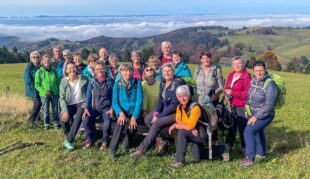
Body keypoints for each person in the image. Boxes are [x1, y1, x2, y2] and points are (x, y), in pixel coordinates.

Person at [131, 62, 185, 157]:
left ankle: (142, 148)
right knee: (148, 119)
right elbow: (160, 100)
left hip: (176, 112)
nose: (166, 73)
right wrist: (156, 114)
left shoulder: (178, 83)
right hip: (165, 110)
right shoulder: (163, 82)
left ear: (173, 71)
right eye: (164, 71)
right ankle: (161, 141)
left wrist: (159, 117)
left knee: (156, 123)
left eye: (169, 71)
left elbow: (174, 104)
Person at [240, 60, 278, 168]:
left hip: (266, 114)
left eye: (261, 70)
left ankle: (249, 159)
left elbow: (269, 105)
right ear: (253, 71)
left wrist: (256, 117)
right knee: (257, 131)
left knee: (249, 131)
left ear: (265, 70)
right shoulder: (253, 81)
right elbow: (249, 97)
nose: (259, 73)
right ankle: (261, 154)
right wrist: (248, 111)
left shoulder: (270, 84)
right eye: (256, 70)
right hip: (253, 112)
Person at [109, 64, 143, 158]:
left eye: (129, 70)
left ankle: (126, 144)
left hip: (134, 112)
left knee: (133, 127)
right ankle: (112, 149)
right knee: (120, 123)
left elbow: (139, 100)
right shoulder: (117, 84)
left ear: (132, 71)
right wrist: (120, 113)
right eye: (124, 71)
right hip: (122, 112)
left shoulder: (137, 83)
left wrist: (134, 117)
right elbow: (115, 102)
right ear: (121, 72)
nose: (127, 73)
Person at [168, 85, 202, 169]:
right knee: (197, 157)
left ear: (189, 95)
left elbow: (189, 125)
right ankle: (224, 148)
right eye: (180, 96)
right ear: (177, 97)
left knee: (182, 131)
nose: (182, 99)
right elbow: (179, 121)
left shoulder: (195, 108)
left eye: (184, 95)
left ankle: (179, 161)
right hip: (192, 133)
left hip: (200, 134)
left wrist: (177, 125)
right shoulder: (179, 107)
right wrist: (187, 127)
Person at [194, 51, 224, 144]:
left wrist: (215, 96)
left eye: (208, 57)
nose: (206, 60)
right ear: (200, 59)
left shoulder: (216, 69)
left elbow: (221, 86)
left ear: (210, 58)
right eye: (203, 58)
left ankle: (214, 140)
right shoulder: (198, 68)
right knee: (199, 117)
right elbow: (194, 83)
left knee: (211, 118)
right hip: (199, 98)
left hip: (211, 98)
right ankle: (202, 138)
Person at [83, 62, 114, 150]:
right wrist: (86, 108)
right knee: (86, 120)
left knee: (107, 124)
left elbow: (115, 97)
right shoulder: (92, 81)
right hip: (95, 108)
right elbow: (88, 96)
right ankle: (90, 139)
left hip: (107, 108)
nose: (99, 71)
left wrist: (112, 108)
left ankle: (105, 141)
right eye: (97, 69)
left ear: (105, 69)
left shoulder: (110, 81)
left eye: (101, 68)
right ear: (94, 71)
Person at [224, 56, 251, 154]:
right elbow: (226, 87)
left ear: (243, 64)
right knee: (231, 126)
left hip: (242, 106)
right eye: (235, 64)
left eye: (239, 63)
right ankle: (228, 146)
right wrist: (226, 94)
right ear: (232, 65)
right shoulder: (231, 74)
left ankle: (246, 148)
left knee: (242, 127)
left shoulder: (247, 77)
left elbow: (247, 94)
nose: (237, 66)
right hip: (231, 105)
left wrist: (232, 93)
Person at [59, 62, 88, 150]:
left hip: (80, 103)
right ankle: (69, 135)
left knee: (78, 118)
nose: (72, 69)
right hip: (69, 104)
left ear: (76, 69)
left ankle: (69, 140)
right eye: (69, 68)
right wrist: (64, 111)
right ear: (67, 71)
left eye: (73, 67)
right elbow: (62, 97)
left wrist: (86, 102)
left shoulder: (83, 79)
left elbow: (89, 92)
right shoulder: (64, 81)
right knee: (63, 120)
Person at [35, 54, 60, 129]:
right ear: (42, 61)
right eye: (45, 60)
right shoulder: (39, 72)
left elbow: (58, 82)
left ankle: (56, 122)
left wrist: (58, 92)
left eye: (48, 60)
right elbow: (37, 85)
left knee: (55, 109)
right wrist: (44, 91)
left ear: (50, 62)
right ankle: (46, 124)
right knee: (46, 110)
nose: (47, 62)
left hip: (55, 94)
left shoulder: (54, 71)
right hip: (44, 94)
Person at [24, 51, 42, 128]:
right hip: (33, 90)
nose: (35, 59)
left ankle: (37, 119)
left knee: (39, 104)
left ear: (39, 58)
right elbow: (27, 80)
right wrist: (36, 84)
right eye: (33, 57)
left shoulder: (41, 67)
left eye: (37, 57)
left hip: (40, 89)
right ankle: (31, 120)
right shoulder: (29, 67)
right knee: (37, 104)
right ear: (31, 59)